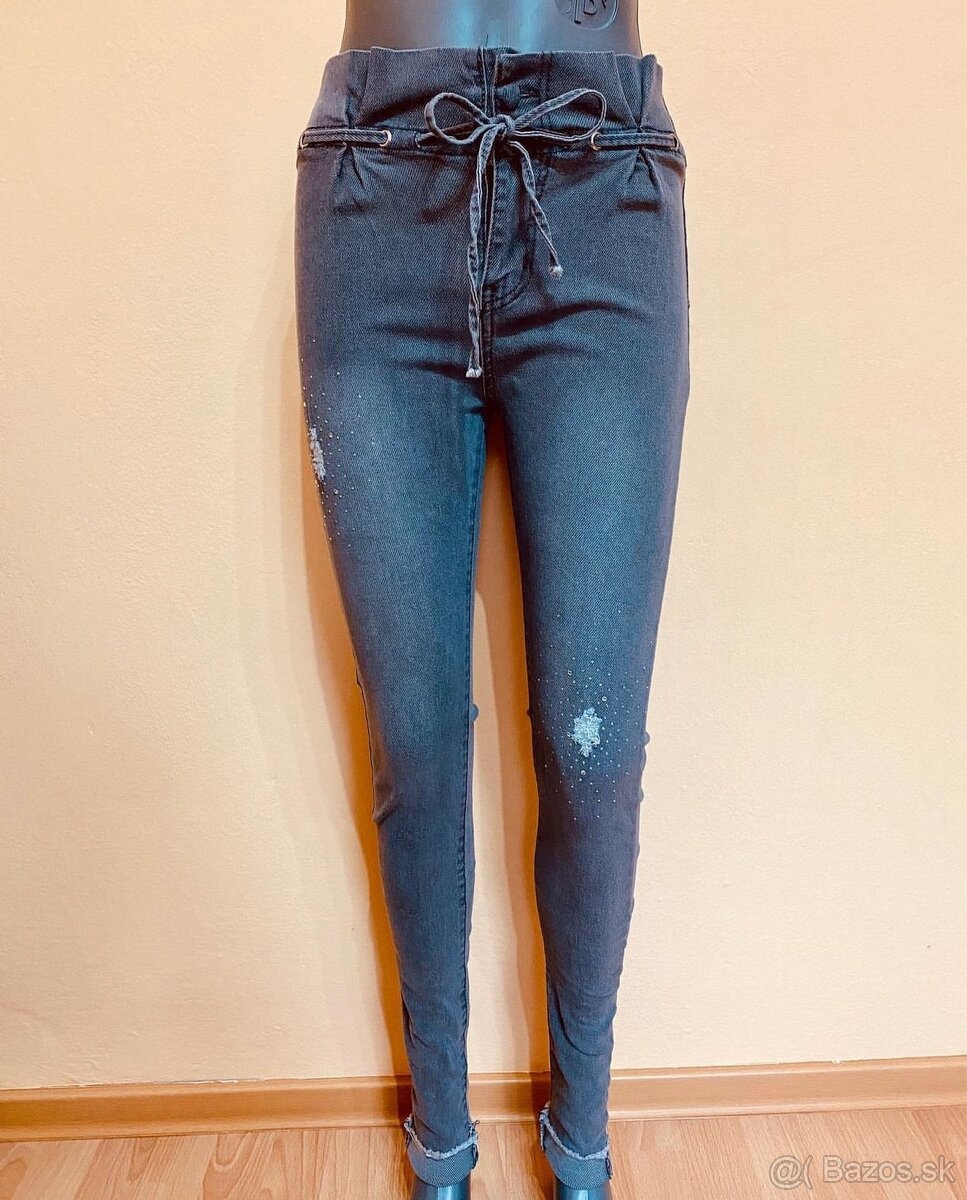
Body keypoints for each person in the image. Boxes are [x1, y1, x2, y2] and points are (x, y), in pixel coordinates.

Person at [294, 5, 691, 1196]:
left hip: (603, 174)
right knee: (414, 741)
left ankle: (581, 1142)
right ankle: (441, 1145)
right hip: (376, 179)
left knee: (591, 748)